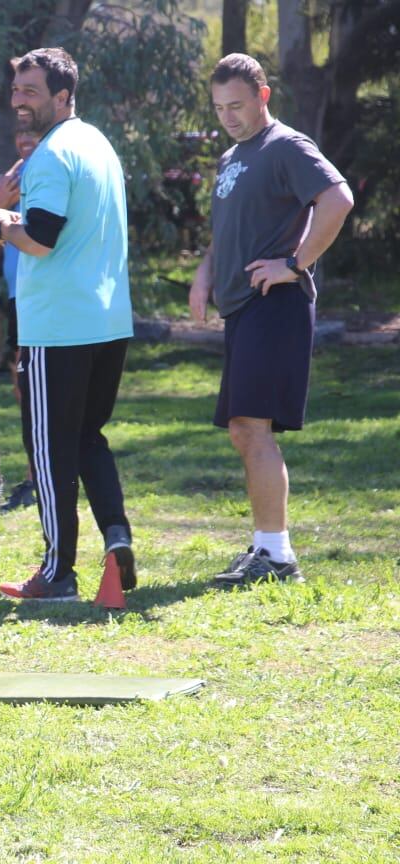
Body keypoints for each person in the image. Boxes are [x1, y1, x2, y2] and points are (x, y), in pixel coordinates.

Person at [188, 54, 353, 587]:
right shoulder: (234, 155)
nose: (227, 116)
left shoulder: (288, 146)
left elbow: (337, 199)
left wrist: (293, 263)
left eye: (236, 105)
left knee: (252, 428)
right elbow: (228, 225)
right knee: (244, 431)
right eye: (218, 108)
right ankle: (267, 547)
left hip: (275, 304)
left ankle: (277, 557)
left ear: (263, 96)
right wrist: (205, 272)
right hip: (242, 307)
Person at [0, 48, 137, 602]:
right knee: (88, 438)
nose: (19, 100)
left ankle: (57, 572)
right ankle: (117, 537)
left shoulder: (49, 155)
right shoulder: (97, 142)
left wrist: (1, 223)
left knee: (49, 452)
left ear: (63, 96)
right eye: (16, 89)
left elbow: (40, 239)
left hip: (59, 329)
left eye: (31, 91)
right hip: (109, 321)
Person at [0, 129, 40, 514]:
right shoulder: (11, 178)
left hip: (45, 296)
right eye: (19, 132)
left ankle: (42, 478)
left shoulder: (51, 173)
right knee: (25, 389)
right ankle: (38, 476)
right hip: (20, 297)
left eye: (33, 131)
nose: (24, 139)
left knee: (37, 390)